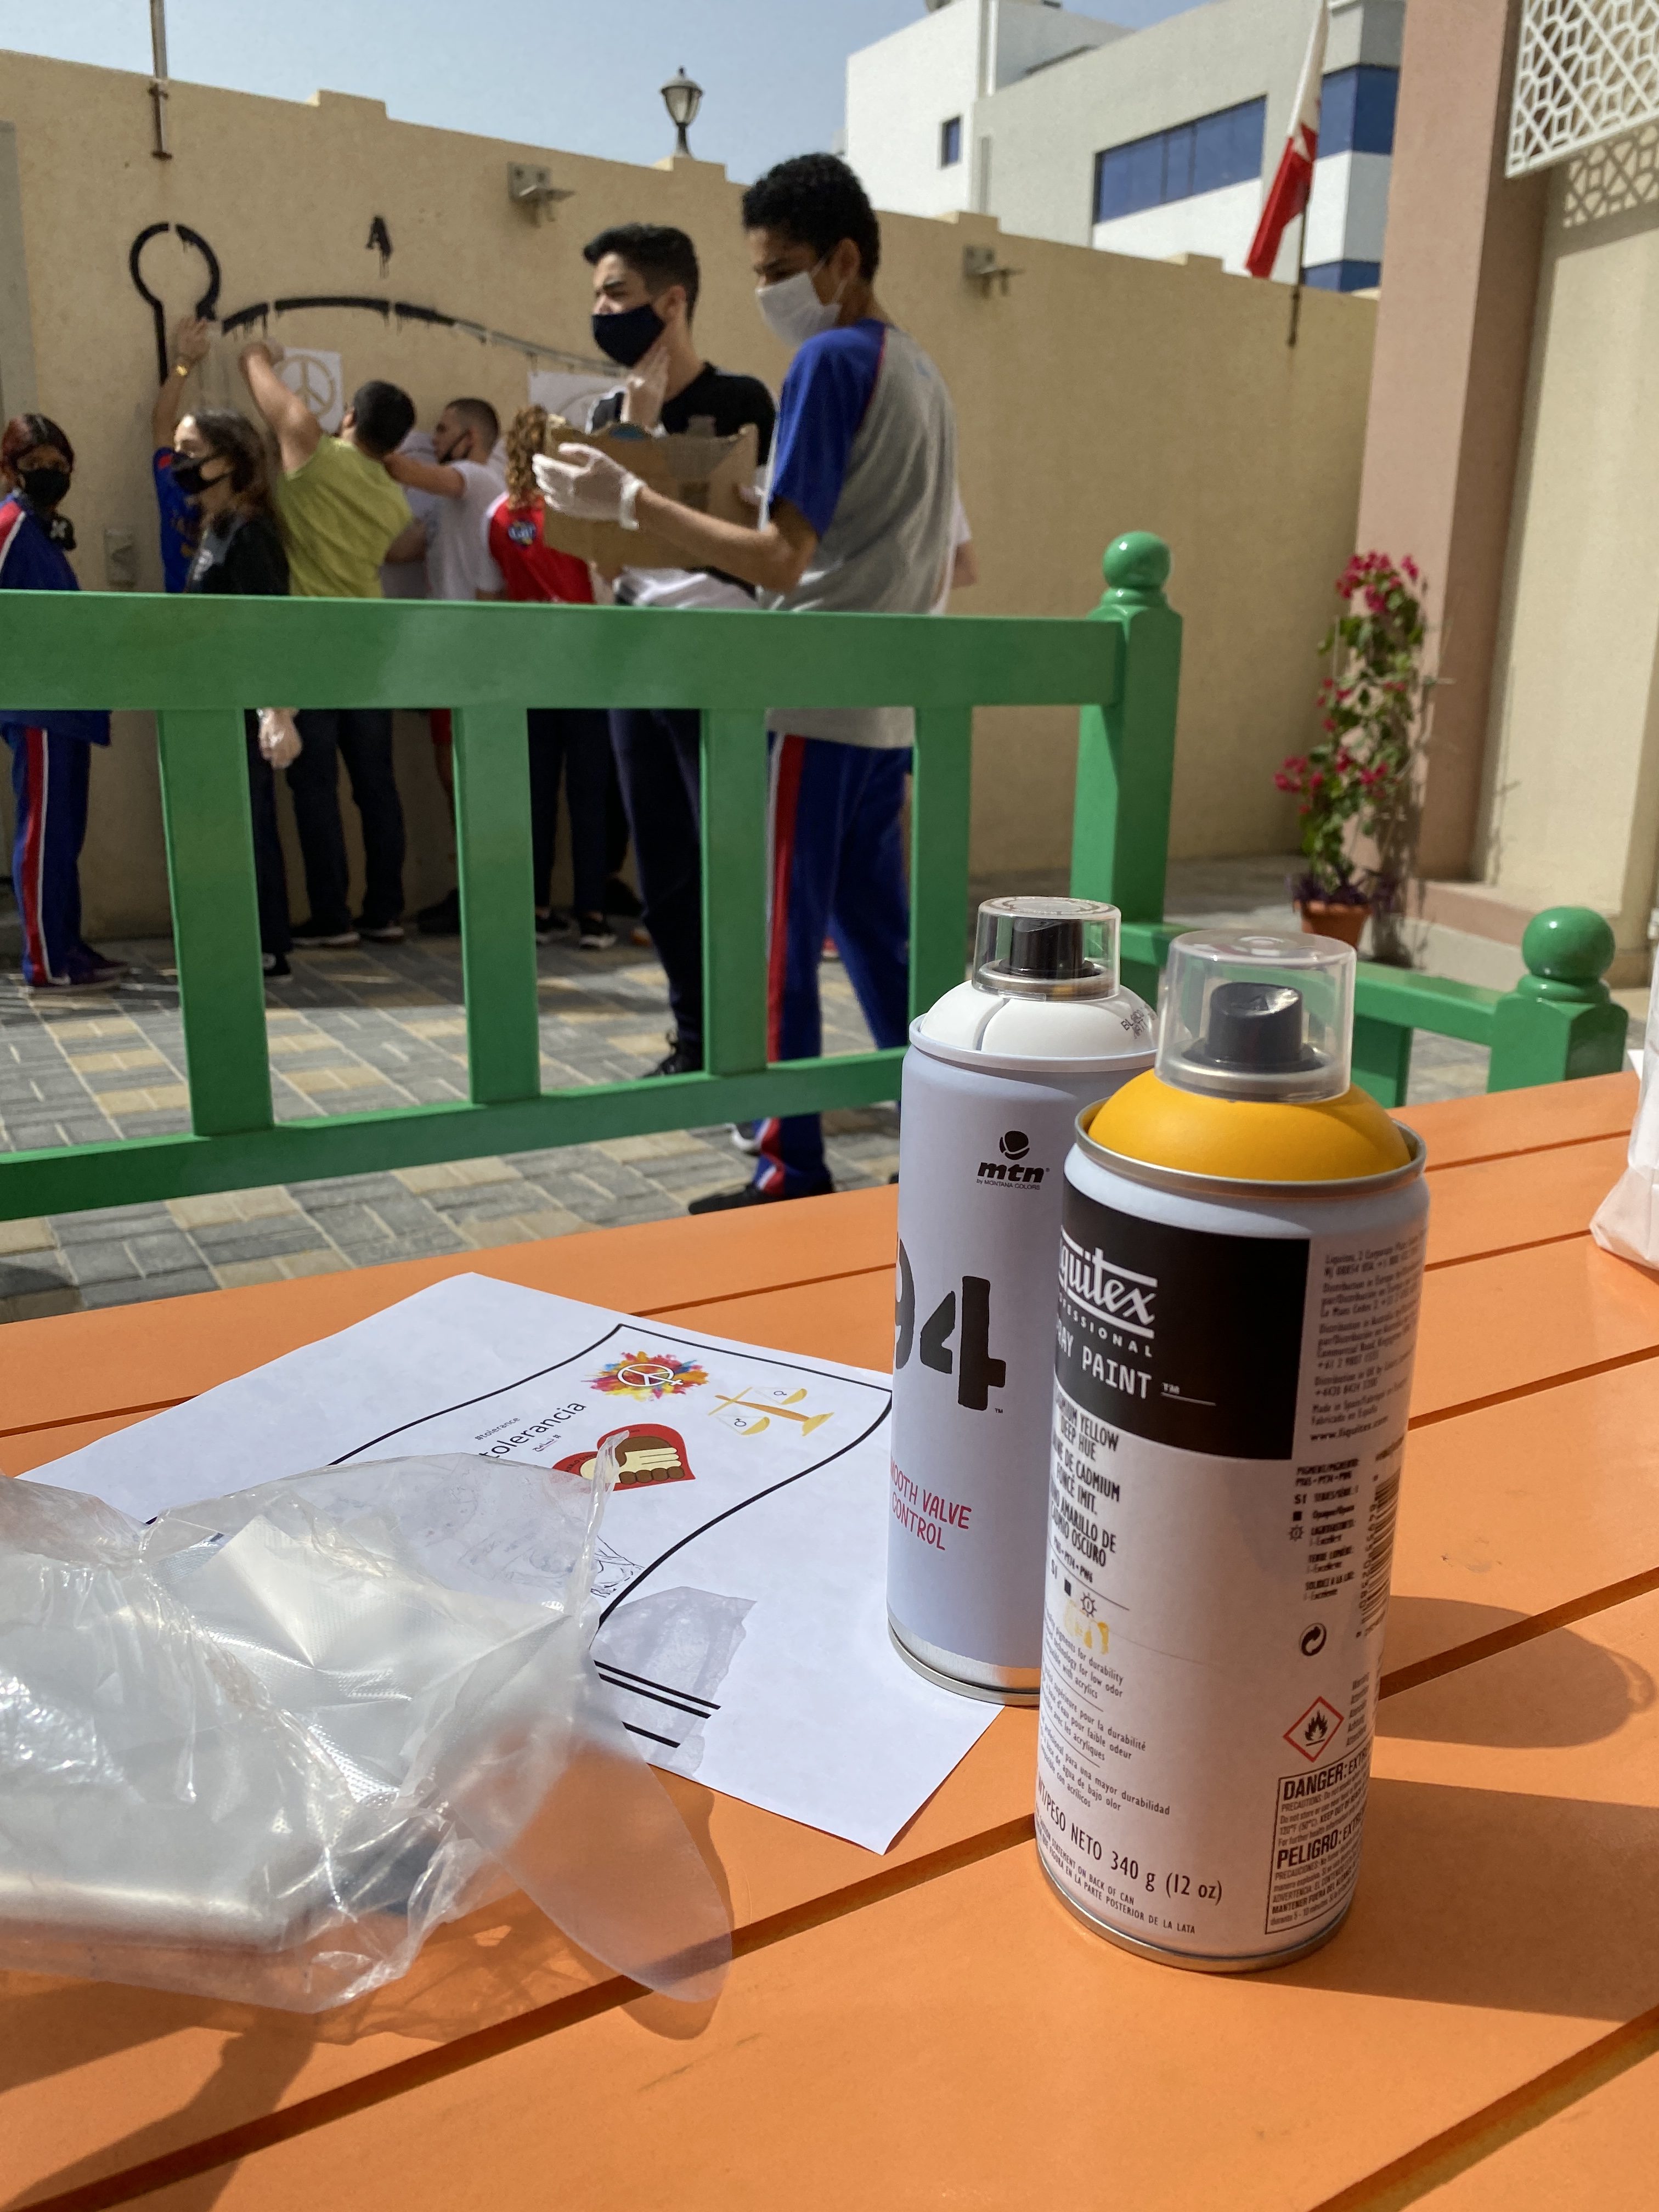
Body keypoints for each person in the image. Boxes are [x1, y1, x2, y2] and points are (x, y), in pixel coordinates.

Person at [537, 156, 956, 1209]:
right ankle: (947, 1143)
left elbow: (778, 559)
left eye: (777, 270)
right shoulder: (920, 370)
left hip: (808, 694)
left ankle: (786, 1163)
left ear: (841, 260)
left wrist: (629, 501)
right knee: (879, 941)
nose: (767, 291)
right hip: (887, 699)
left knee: (769, 941)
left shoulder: (827, 361)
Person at [580, 222, 777, 1074]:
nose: (601, 309)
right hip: (637, 656)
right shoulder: (605, 415)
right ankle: (694, 1040)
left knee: (729, 858)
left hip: (726, 657)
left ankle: (747, 1038)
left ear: (671, 301)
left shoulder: (743, 402)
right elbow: (605, 557)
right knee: (662, 869)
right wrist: (632, 432)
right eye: (596, 295)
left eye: (616, 293)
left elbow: (763, 538)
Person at [239, 342, 414, 949]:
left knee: (314, 787)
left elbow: (264, 387)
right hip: (369, 647)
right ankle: (385, 912)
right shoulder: (394, 501)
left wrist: (257, 351)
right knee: (376, 784)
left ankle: (332, 917)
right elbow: (403, 548)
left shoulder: (312, 452)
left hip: (308, 645)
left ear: (350, 417)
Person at [479, 405, 614, 949]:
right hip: (587, 669)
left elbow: (488, 600)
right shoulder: (584, 513)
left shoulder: (498, 515)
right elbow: (608, 593)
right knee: (590, 794)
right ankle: (593, 914)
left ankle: (535, 909)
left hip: (525, 670)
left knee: (535, 792)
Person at [0, 414, 123, 991]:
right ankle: (46, 960)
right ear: (10, 470)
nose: (49, 474)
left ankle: (67, 944)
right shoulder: (9, 525)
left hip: (70, 706)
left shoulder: (45, 532)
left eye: (58, 465)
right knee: (44, 834)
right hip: (39, 705)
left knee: (65, 833)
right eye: (35, 465)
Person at [172, 407, 297, 979]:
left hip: (242, 707)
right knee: (223, 823)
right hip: (211, 703)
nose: (179, 462)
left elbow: (269, 627)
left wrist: (276, 711)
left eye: (190, 449)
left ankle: (265, 943)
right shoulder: (212, 527)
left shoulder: (249, 531)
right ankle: (232, 936)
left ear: (226, 460)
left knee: (250, 823)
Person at [381, 398, 507, 937]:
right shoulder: (444, 505)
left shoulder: (477, 479)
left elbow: (404, 470)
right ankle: (472, 888)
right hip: (446, 655)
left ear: (471, 438)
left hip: (472, 653)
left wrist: (363, 438)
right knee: (449, 774)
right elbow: (399, 552)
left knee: (467, 776)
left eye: (443, 429)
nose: (432, 439)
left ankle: (489, 889)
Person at [150, 314, 213, 591]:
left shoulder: (240, 505)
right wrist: (184, 362)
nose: (183, 456)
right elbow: (162, 422)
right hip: (180, 610)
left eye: (192, 449)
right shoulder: (172, 484)